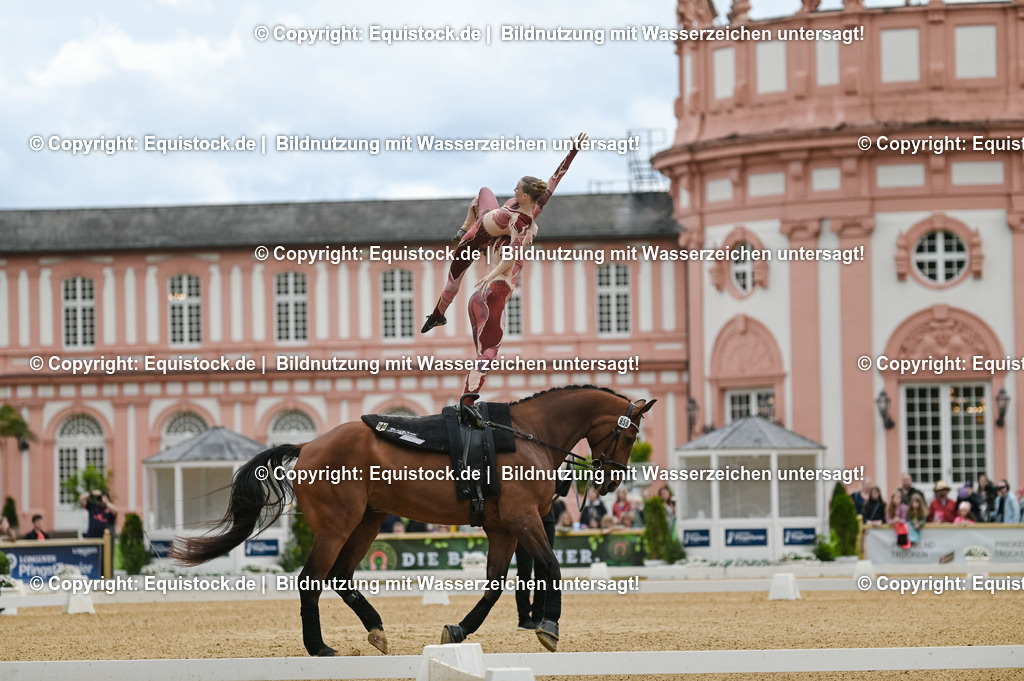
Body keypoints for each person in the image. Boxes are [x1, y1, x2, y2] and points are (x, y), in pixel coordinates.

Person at [421, 133, 588, 409]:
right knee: (488, 352)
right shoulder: (527, 216)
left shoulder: (520, 219)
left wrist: (572, 153)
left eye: (516, 189)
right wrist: (572, 153)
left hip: (480, 253)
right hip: (487, 277)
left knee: (455, 285)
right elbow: (553, 181)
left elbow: (553, 182)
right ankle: (468, 400)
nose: (513, 191)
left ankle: (439, 314)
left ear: (523, 195)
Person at [514, 505, 556, 631]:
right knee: (524, 571)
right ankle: (524, 617)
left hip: (546, 520)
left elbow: (561, 489)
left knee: (543, 572)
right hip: (525, 521)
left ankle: (538, 615)